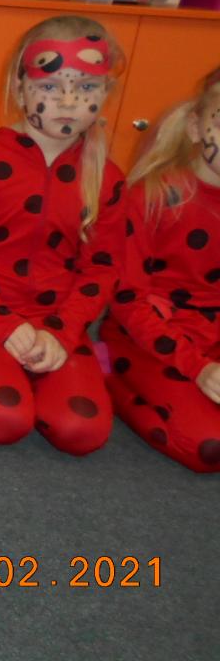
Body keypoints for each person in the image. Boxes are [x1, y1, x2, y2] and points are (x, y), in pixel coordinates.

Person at [0, 16, 125, 455]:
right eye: (49, 86)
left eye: (86, 87)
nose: (68, 101)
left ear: (106, 92)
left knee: (81, 430)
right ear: (20, 89)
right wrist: (3, 324)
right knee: (3, 419)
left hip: (58, 318)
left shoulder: (107, 178)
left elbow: (103, 267)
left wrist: (64, 332)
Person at [101, 67, 220, 471]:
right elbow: (128, 302)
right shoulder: (154, 197)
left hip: (211, 338)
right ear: (196, 127)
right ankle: (108, 372)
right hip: (150, 339)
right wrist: (198, 368)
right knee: (209, 447)